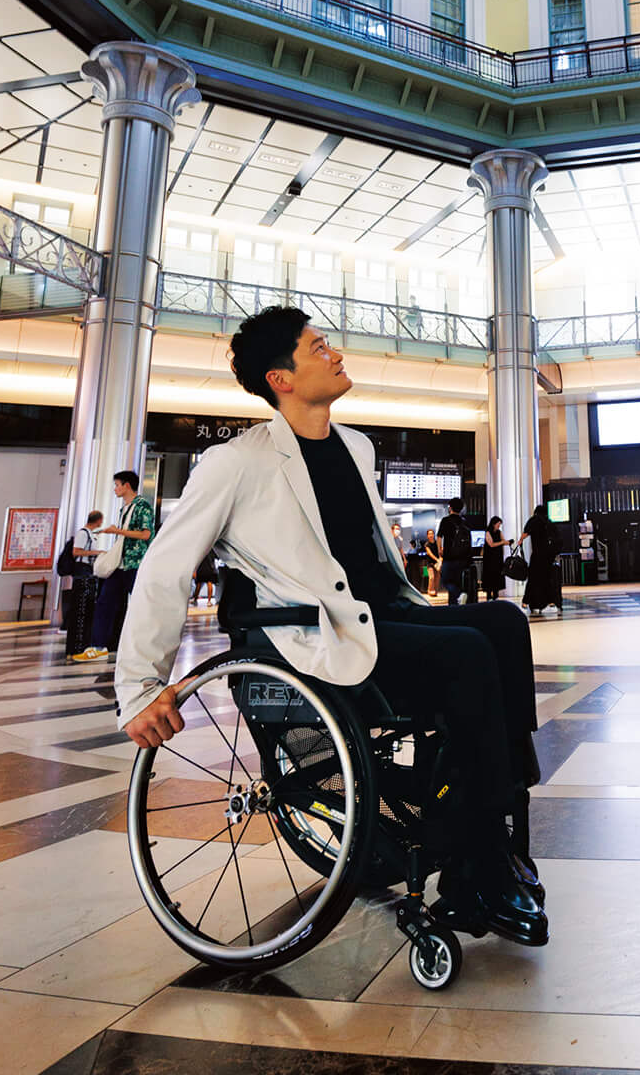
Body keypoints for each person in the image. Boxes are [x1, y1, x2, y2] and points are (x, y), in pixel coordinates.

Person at [111, 307, 546, 947]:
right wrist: (142, 685)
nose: (334, 353)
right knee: (465, 656)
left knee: (504, 623)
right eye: (318, 348)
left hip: (387, 613)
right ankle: (470, 861)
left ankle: (497, 816)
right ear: (280, 378)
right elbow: (165, 568)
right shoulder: (236, 463)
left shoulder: (357, 446)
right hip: (319, 635)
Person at [72, 471, 156, 664]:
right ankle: (98, 646)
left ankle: (147, 648)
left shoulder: (142, 506)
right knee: (104, 602)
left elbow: (146, 534)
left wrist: (116, 531)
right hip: (120, 564)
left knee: (142, 605)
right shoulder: (124, 509)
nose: (115, 489)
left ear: (127, 485)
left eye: (117, 485)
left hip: (136, 564)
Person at [57, 508, 104, 648]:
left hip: (87, 568)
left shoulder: (90, 534)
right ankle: (67, 626)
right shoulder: (83, 533)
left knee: (82, 599)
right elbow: (76, 551)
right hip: (81, 568)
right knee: (79, 599)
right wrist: (97, 552)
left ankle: (72, 626)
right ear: (98, 520)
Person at [520, 503, 566, 615]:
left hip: (537, 555)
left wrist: (520, 541)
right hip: (549, 556)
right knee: (547, 579)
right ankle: (551, 601)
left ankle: (529, 602)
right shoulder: (549, 522)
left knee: (534, 579)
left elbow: (524, 535)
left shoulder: (533, 521)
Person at [437, 499, 482, 605]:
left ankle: (457, 597)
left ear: (450, 508)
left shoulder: (445, 520)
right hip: (463, 559)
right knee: (458, 582)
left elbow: (439, 536)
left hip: (449, 558)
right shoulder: (465, 521)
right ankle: (456, 602)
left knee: (446, 581)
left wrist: (440, 549)